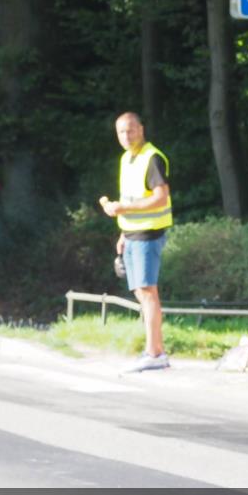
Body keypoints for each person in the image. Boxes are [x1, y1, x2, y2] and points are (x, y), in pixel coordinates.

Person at [99, 112, 172, 372]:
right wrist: (122, 232)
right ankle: (156, 351)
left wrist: (125, 209)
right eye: (121, 132)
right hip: (132, 233)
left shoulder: (151, 158)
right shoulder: (127, 159)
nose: (126, 136)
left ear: (141, 129)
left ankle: (154, 354)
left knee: (148, 292)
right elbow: (130, 198)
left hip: (149, 233)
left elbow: (161, 197)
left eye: (130, 130)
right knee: (142, 292)